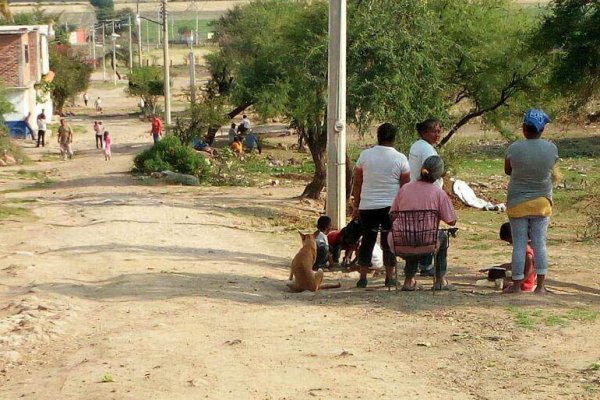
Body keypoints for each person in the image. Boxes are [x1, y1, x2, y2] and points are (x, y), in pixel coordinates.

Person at [504, 108, 558, 295]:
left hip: (517, 201)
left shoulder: (514, 148)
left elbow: (508, 171)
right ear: (542, 129)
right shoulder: (551, 148)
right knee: (539, 243)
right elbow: (551, 169)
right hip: (542, 202)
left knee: (519, 244)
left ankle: (517, 286)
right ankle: (541, 286)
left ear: (524, 129)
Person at [351, 122, 410, 288]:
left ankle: (362, 277)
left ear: (378, 136)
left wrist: (356, 205)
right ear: (394, 138)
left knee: (367, 241)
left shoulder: (365, 156)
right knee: (388, 242)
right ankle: (389, 277)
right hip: (390, 207)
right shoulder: (400, 159)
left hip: (368, 205)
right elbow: (404, 187)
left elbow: (358, 182)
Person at [389, 155, 457, 291]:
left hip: (399, 242)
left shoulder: (405, 189)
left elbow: (392, 215)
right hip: (427, 243)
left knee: (410, 234)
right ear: (439, 176)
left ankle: (409, 281)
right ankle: (440, 280)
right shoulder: (438, 193)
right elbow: (451, 221)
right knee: (441, 236)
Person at [408, 118, 443, 277]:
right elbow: (429, 170)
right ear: (424, 132)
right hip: (428, 194)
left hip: (415, 193)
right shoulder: (427, 150)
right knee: (429, 230)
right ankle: (425, 263)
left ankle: (415, 263)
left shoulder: (417, 146)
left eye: (438, 130)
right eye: (434, 131)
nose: (438, 134)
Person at [498, 222, 536, 292]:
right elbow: (513, 264)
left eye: (511, 241)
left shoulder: (527, 253)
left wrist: (517, 284)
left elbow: (529, 271)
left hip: (525, 284)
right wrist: (498, 267)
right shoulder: (521, 251)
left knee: (502, 284)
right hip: (521, 281)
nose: (511, 244)